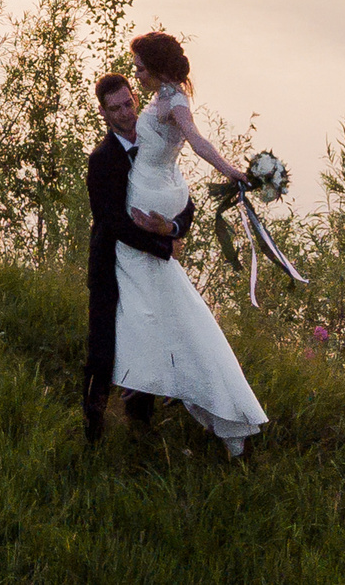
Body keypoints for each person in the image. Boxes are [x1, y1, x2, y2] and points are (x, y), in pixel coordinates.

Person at [110, 31, 269, 456]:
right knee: (156, 297)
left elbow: (197, 141)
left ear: (158, 67)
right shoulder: (163, 95)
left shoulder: (175, 101)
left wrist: (231, 169)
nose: (136, 73)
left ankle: (159, 382)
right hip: (160, 185)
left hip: (151, 194)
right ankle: (152, 382)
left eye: (140, 66)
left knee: (141, 295)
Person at [82, 72, 196, 441]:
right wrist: (164, 246)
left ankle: (140, 428)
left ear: (134, 99)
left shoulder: (155, 141)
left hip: (148, 268)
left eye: (128, 104)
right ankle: (92, 429)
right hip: (110, 266)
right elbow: (112, 221)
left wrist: (174, 230)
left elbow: (181, 195)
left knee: (150, 340)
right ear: (103, 113)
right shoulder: (101, 159)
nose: (125, 114)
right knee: (103, 350)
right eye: (114, 109)